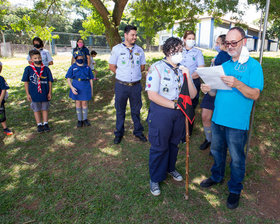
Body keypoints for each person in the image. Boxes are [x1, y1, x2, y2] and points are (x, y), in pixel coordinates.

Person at [200, 27, 264, 209]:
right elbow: (214, 92)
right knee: (217, 151)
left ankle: (235, 190)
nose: (230, 46)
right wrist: (208, 89)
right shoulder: (224, 66)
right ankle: (217, 176)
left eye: (233, 42)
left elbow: (255, 94)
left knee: (237, 159)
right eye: (227, 43)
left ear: (244, 42)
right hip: (218, 119)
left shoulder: (253, 66)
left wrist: (237, 83)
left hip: (237, 123)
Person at [146, 37, 197, 196]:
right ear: (167, 51)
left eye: (180, 51)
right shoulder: (157, 68)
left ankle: (170, 168)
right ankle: (155, 178)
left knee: (174, 143)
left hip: (179, 113)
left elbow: (193, 95)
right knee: (160, 145)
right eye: (175, 51)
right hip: (162, 111)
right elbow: (152, 95)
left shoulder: (183, 69)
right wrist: (175, 105)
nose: (179, 54)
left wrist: (187, 76)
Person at [109, 25, 147, 144]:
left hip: (135, 86)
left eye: (136, 35)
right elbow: (112, 66)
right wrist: (122, 74)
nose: (135, 37)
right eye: (132, 35)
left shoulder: (139, 50)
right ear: (125, 35)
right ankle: (119, 133)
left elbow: (142, 67)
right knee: (120, 110)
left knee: (136, 110)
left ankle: (138, 132)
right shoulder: (117, 49)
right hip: (121, 85)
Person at [199, 34, 231, 150]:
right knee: (206, 116)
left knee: (213, 119)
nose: (216, 45)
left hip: (221, 92)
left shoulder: (226, 56)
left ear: (225, 44)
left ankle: (215, 144)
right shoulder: (220, 55)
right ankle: (209, 140)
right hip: (211, 89)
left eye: (218, 43)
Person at [22, 50, 54, 133]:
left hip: (45, 92)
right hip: (34, 93)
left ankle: (45, 123)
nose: (38, 59)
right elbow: (26, 82)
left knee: (45, 108)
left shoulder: (46, 69)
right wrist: (27, 94)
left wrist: (50, 92)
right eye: (35, 58)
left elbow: (50, 81)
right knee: (36, 109)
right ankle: (39, 124)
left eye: (39, 57)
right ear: (31, 60)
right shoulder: (28, 69)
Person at [180, 30, 204, 137]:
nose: (191, 41)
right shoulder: (179, 51)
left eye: (192, 39)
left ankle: (188, 133)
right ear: (184, 40)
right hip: (179, 83)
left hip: (193, 82)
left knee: (190, 107)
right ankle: (179, 131)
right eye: (189, 38)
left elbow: (200, 70)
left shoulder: (198, 52)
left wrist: (188, 77)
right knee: (180, 105)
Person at [66, 50, 94, 128]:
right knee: (78, 103)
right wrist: (72, 88)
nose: (80, 58)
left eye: (81, 57)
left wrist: (92, 90)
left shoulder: (87, 67)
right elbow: (68, 78)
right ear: (75, 58)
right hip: (76, 86)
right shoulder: (72, 67)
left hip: (85, 86)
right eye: (78, 57)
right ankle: (79, 120)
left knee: (84, 103)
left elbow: (91, 79)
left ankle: (85, 119)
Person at [0, 62, 13, 135]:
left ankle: (5, 128)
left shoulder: (1, 79)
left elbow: (4, 90)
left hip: (0, 101)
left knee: (1, 115)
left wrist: (0, 100)